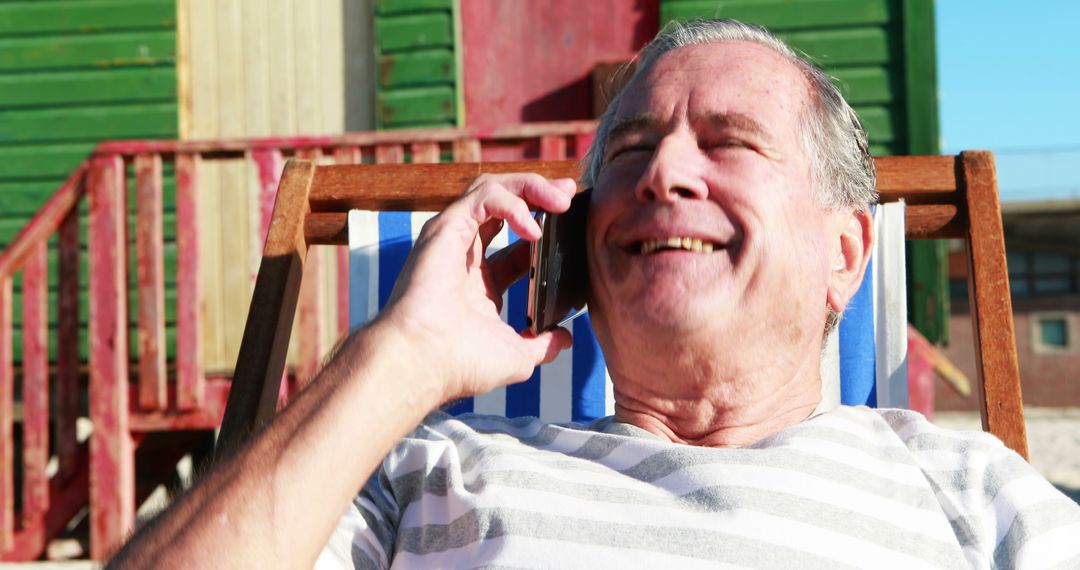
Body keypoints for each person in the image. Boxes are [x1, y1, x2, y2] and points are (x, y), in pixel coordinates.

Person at [111, 19, 1080, 569]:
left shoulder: (965, 491)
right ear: (578, 239)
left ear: (845, 249)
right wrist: (395, 357)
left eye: (732, 141)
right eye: (628, 151)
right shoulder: (430, 474)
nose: (665, 174)